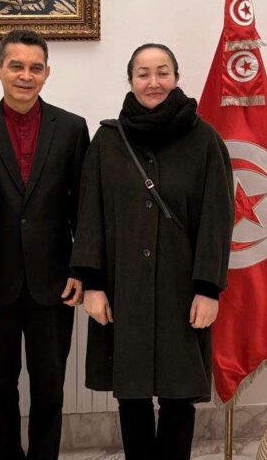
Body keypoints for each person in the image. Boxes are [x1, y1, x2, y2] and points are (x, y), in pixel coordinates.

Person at [70, 43, 234, 460]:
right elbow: (90, 213)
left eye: (163, 72)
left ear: (176, 78)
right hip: (124, 288)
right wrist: (93, 284)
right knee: (132, 393)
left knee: (179, 396)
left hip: (183, 288)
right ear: (130, 80)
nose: (153, 82)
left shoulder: (204, 140)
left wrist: (208, 288)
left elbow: (217, 220)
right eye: (143, 73)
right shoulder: (108, 141)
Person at [0, 29, 89, 459]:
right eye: (15, 66)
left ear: (47, 73)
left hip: (53, 285)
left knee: (50, 390)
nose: (25, 75)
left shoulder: (72, 128)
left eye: (35, 68)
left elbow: (83, 208)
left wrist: (80, 270)